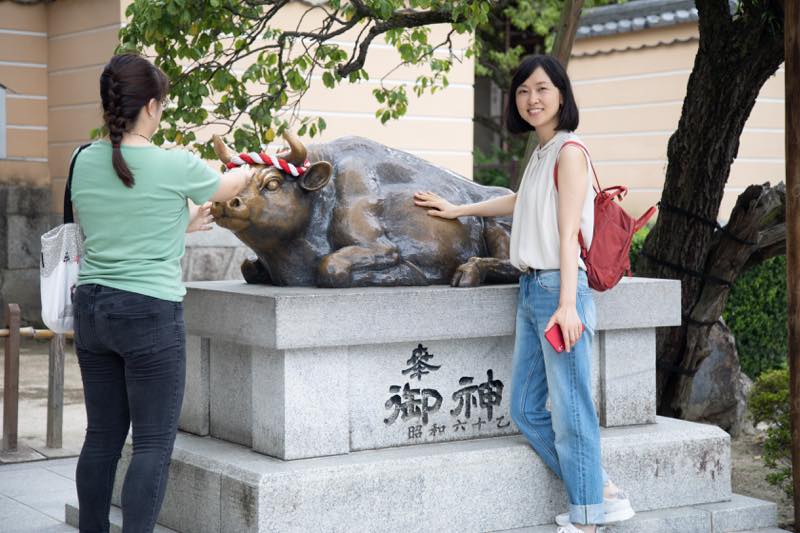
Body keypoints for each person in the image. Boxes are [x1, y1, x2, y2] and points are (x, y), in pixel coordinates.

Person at [413, 55, 635, 533]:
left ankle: (587, 519)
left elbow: (567, 232)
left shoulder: (570, 151)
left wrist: (568, 305)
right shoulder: (542, 151)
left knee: (572, 409)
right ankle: (602, 490)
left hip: (558, 288)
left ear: (561, 95)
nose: (532, 99)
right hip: (531, 287)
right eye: (522, 92)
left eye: (542, 89)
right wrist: (458, 209)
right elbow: (520, 200)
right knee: (525, 408)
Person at [70, 53, 253, 533]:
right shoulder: (175, 165)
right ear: (151, 106)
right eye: (163, 104)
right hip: (148, 313)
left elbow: (111, 225)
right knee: (151, 443)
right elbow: (228, 183)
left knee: (102, 437)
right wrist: (254, 165)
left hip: (92, 308)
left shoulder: (81, 159)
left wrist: (181, 225)